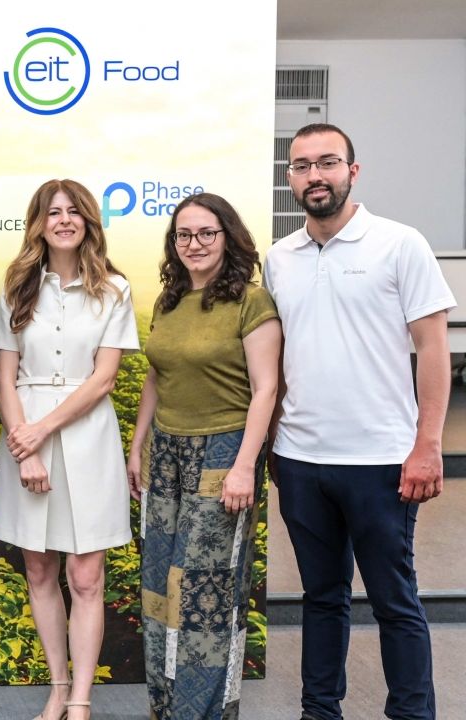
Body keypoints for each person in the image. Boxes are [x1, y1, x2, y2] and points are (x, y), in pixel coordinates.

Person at [266, 123, 451, 720]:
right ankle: (320, 711)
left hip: (380, 461)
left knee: (395, 600)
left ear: (353, 170)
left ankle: (411, 714)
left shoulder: (400, 244)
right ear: (290, 177)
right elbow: (279, 359)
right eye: (301, 166)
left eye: (327, 162)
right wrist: (273, 442)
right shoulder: (279, 258)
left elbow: (433, 348)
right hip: (300, 459)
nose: (314, 175)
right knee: (322, 597)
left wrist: (427, 445)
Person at [0, 179, 138, 720]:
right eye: (54, 212)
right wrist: (25, 448)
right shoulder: (16, 289)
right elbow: (5, 378)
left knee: (86, 575)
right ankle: (57, 687)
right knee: (38, 569)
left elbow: (104, 379)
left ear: (89, 221)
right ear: (39, 224)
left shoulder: (114, 290)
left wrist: (42, 431)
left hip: (87, 438)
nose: (65, 220)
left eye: (74, 211)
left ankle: (80, 701)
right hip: (24, 436)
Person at [128, 192, 281, 719]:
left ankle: (204, 713)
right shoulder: (169, 300)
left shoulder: (251, 301)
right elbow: (157, 376)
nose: (194, 244)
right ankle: (165, 706)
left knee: (205, 595)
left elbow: (265, 389)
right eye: (184, 235)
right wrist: (138, 444)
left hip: (222, 454)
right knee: (160, 586)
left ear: (227, 237)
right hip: (166, 453)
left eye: (206, 233)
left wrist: (243, 467)